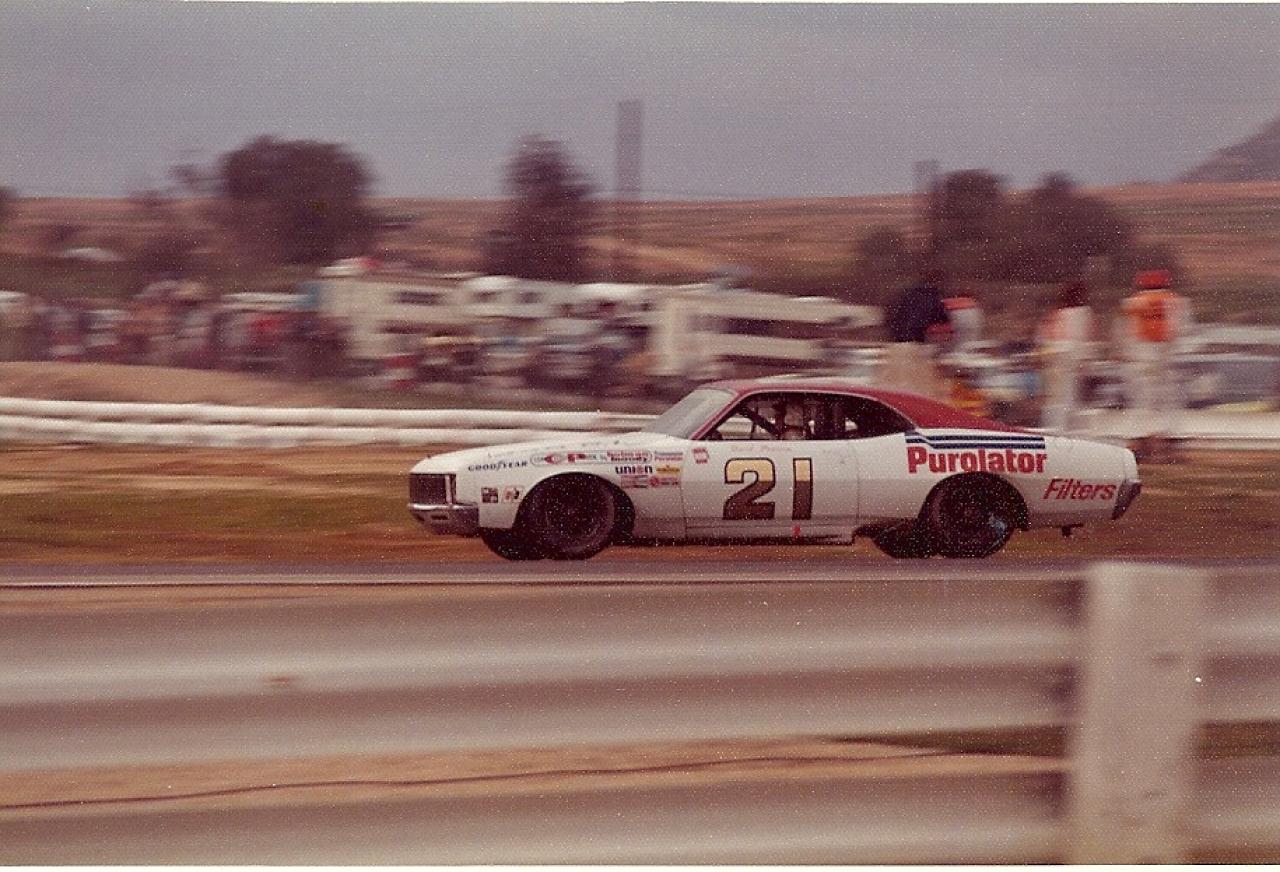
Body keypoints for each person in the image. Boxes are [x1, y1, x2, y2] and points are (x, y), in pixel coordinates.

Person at [1119, 270, 1193, 462]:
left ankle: (1139, 441)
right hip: (1167, 358)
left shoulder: (1132, 302)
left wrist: (1129, 354)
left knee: (1141, 402)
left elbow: (1125, 332)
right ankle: (1168, 441)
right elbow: (1182, 330)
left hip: (1141, 358)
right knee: (1169, 402)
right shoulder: (1176, 301)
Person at [881, 268, 951, 399]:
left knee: (896, 388)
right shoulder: (934, 296)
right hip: (918, 345)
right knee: (921, 390)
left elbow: (888, 315)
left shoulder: (904, 293)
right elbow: (942, 321)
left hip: (896, 345)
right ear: (938, 281)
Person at [1036, 281, 1094, 434]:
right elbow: (1082, 338)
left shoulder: (1056, 313)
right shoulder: (1083, 313)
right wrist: (1084, 361)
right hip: (1070, 357)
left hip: (1053, 355)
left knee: (1055, 398)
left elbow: (1044, 336)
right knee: (1070, 397)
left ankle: (1053, 429)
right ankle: (1065, 430)